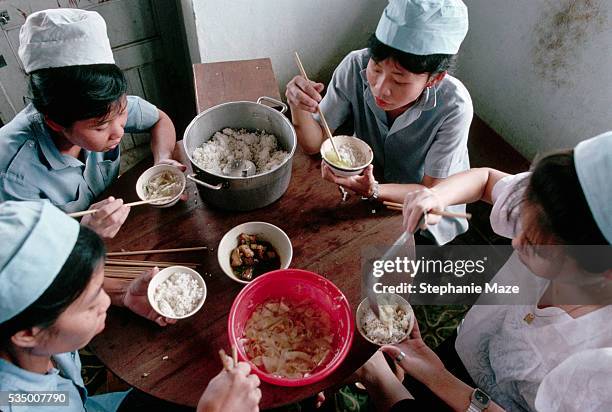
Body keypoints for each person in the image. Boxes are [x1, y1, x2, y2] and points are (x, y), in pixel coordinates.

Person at [355, 132, 612, 411]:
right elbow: (486, 179)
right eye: (520, 222)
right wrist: (436, 196)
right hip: (469, 351)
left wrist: (436, 377)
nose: (514, 242)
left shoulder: (601, 364)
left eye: (533, 246)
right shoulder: (557, 204)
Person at [0, 200, 261, 412]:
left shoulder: (24, 331)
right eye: (91, 304)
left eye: (100, 286)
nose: (104, 302)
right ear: (27, 333)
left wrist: (122, 294)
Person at [286, 0, 472, 244]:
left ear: (434, 79)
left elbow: (431, 193)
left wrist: (374, 190)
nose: (380, 89)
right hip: (363, 194)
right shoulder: (355, 65)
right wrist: (297, 105)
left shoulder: (454, 106)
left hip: (425, 214)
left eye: (399, 80)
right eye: (376, 67)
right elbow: (315, 143)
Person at [0, 9, 185, 239]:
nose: (118, 132)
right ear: (56, 122)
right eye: (100, 128)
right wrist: (85, 233)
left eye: (123, 112)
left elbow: (159, 119)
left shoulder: (108, 106)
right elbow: (24, 260)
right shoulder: (12, 176)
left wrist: (162, 160)